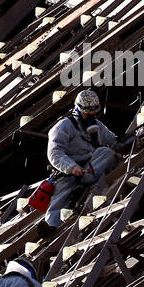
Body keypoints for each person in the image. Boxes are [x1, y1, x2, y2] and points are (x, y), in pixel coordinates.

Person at [42, 89, 121, 230]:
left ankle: (89, 179)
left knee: (106, 152)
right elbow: (55, 153)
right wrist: (72, 167)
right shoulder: (63, 126)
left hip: (91, 168)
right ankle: (51, 228)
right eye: (87, 114)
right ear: (78, 110)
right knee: (60, 200)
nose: (91, 117)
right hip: (69, 173)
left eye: (93, 114)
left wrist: (132, 141)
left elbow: (114, 142)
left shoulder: (97, 126)